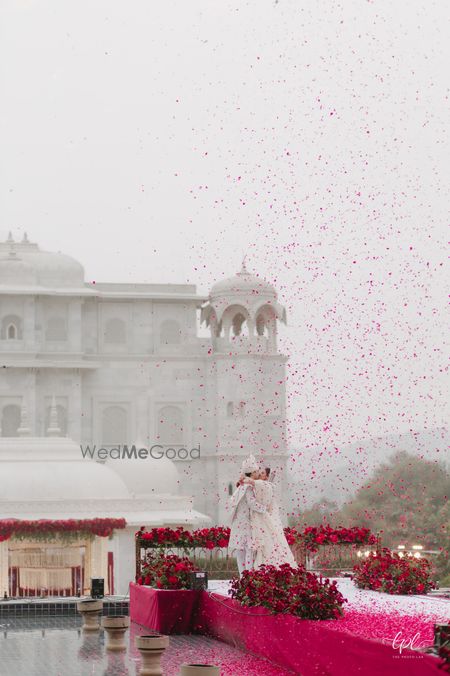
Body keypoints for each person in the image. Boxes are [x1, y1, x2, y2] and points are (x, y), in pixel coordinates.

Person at [243, 467, 296, 568]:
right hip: (261, 517)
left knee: (266, 542)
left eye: (262, 473)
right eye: (259, 472)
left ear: (267, 477)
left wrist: (243, 479)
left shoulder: (265, 484)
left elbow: (251, 481)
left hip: (262, 517)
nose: (259, 473)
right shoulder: (264, 485)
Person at [228, 455, 268, 576]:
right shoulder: (248, 488)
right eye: (256, 472)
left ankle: (242, 578)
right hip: (246, 524)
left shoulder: (240, 487)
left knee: (240, 553)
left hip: (238, 524)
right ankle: (248, 579)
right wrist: (265, 509)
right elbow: (252, 504)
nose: (257, 474)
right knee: (249, 552)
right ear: (252, 473)